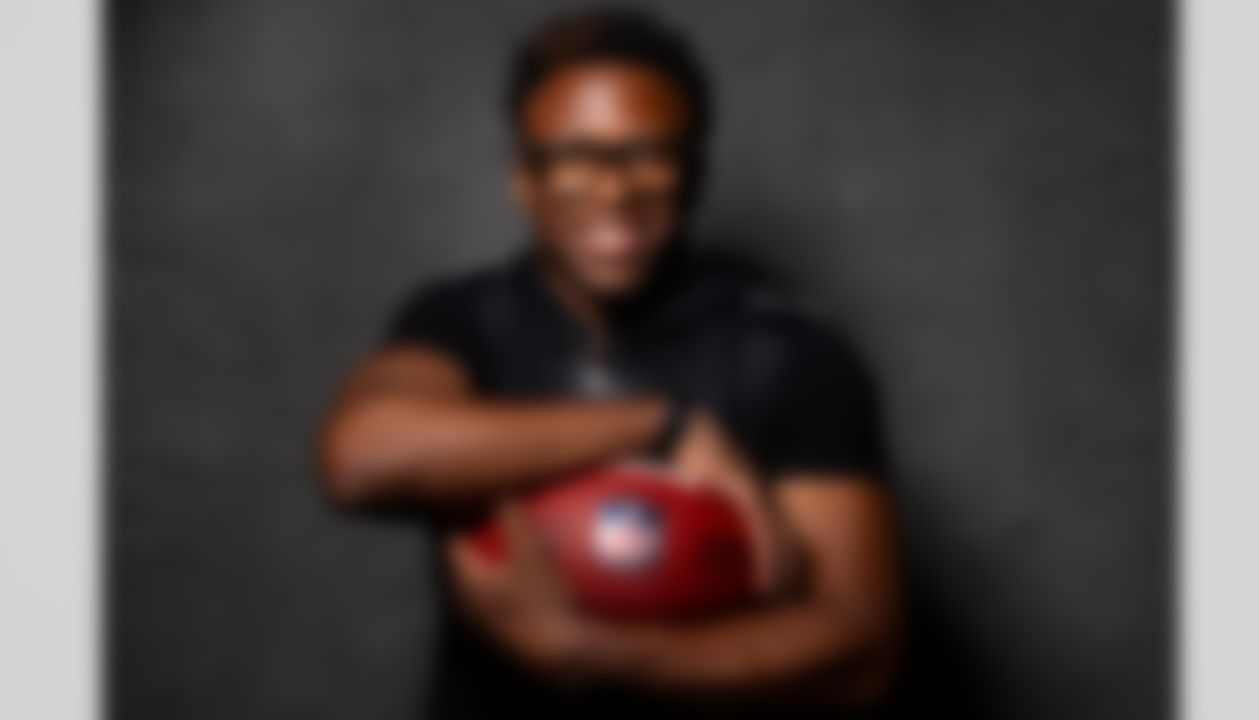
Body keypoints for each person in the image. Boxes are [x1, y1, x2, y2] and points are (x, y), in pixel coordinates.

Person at [318, 7, 904, 719]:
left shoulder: (785, 351)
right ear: (524, 179)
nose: (615, 193)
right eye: (574, 158)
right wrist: (663, 425)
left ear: (694, 171)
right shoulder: (465, 321)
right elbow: (360, 459)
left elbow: (861, 652)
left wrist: (592, 658)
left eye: (649, 154)